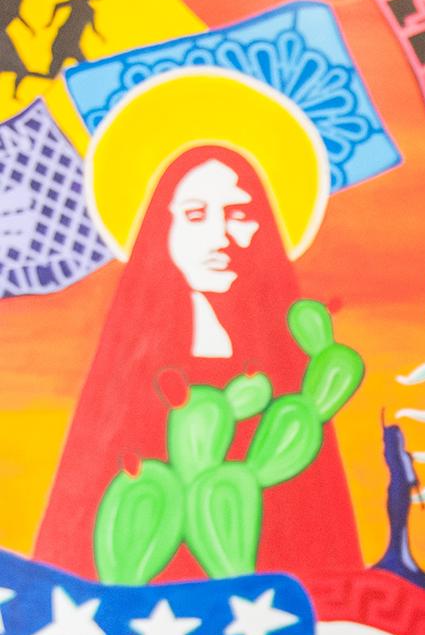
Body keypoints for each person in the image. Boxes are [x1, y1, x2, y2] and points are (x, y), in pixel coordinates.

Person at [36, 142, 361, 582]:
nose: (219, 236)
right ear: (162, 229)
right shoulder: (127, 368)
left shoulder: (289, 378)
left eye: (239, 215)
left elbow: (317, 536)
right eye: (195, 215)